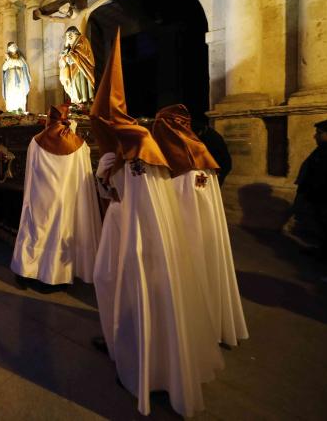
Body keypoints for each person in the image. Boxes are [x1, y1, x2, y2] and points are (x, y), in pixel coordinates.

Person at [89, 30, 223, 417]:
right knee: (116, 286)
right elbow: (116, 194)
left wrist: (109, 177)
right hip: (131, 234)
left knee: (141, 299)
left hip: (141, 242)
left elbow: (138, 205)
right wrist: (105, 173)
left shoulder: (137, 151)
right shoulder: (126, 152)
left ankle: (146, 370)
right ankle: (126, 349)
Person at [152, 104, 248, 345]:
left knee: (190, 273)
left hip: (184, 236)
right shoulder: (201, 153)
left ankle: (192, 330)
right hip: (207, 233)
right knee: (208, 269)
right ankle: (213, 326)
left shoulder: (179, 163)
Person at [11, 105, 102, 287]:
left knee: (36, 232)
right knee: (62, 231)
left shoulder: (36, 142)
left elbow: (30, 173)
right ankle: (59, 274)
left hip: (40, 199)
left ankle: (28, 270)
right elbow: (83, 177)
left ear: (49, 120)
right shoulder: (79, 145)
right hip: (66, 200)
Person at [295, 118, 327, 284]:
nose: (315, 136)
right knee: (324, 229)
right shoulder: (324, 149)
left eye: (320, 133)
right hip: (320, 199)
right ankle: (325, 253)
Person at [192, 118, 232, 185]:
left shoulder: (212, 138)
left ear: (200, 132)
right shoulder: (205, 133)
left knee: (212, 188)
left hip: (219, 168)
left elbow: (215, 157)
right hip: (212, 168)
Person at [1, 42, 32, 112]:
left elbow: (22, 64)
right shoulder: (7, 59)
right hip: (10, 79)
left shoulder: (20, 59)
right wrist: (9, 61)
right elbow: (4, 68)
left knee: (20, 93)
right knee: (11, 93)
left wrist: (10, 61)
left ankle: (20, 109)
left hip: (20, 79)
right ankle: (11, 110)